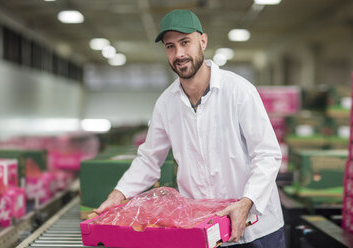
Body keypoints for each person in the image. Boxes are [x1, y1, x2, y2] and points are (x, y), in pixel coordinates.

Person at [94, 9, 285, 247]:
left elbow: (267, 155)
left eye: (185, 42)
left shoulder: (239, 91)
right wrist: (118, 195)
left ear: (203, 42)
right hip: (203, 231)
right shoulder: (166, 103)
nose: (179, 53)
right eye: (170, 46)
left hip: (256, 230)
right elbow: (149, 159)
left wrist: (247, 202)